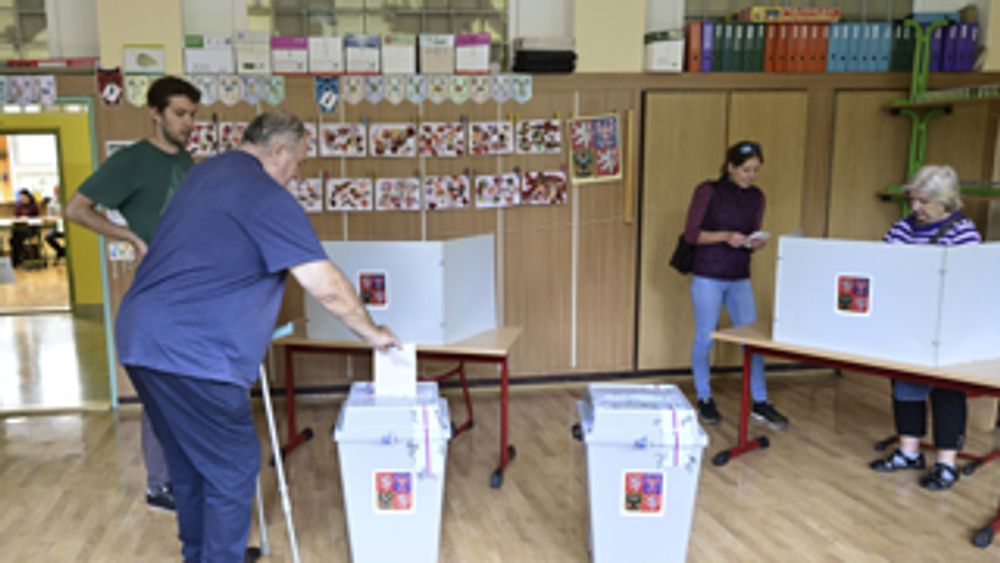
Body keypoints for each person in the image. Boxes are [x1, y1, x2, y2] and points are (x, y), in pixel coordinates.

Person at [115, 110, 400, 561]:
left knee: (190, 464)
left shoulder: (206, 172)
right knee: (233, 466)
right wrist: (372, 333)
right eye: (299, 162)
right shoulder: (264, 195)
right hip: (193, 353)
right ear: (279, 149)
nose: (297, 175)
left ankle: (199, 553)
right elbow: (324, 285)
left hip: (141, 340)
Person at [65, 75, 201, 511]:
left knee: (187, 388)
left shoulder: (188, 162)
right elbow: (76, 208)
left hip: (187, 291)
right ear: (155, 113)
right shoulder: (132, 161)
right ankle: (159, 484)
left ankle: (181, 475)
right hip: (156, 294)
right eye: (180, 114)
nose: (188, 123)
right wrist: (128, 236)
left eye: (193, 114)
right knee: (162, 388)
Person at [870, 165, 981, 490]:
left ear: (945, 201)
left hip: (948, 326)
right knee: (905, 386)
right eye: (914, 200)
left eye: (923, 202)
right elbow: (882, 262)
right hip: (907, 322)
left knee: (947, 391)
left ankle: (946, 463)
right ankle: (909, 451)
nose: (915, 208)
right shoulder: (903, 227)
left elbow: (970, 283)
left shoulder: (964, 232)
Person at [682, 140, 789, 428]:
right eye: (745, 170)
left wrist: (755, 242)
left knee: (751, 341)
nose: (750, 176)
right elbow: (692, 234)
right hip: (708, 274)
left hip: (739, 275)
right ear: (730, 167)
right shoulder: (709, 191)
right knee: (705, 337)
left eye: (755, 170)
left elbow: (752, 234)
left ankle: (760, 401)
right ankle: (704, 397)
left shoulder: (757, 197)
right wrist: (725, 236)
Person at [10, 188, 40, 267]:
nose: (22, 199)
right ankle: (17, 259)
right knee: (14, 238)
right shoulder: (19, 205)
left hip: (31, 228)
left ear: (28, 197)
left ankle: (17, 260)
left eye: (23, 197)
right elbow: (15, 216)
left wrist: (28, 218)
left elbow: (37, 218)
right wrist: (17, 218)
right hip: (21, 228)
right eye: (20, 197)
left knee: (16, 239)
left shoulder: (34, 205)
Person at [43, 186, 65, 261]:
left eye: (59, 191)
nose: (57, 193)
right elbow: (48, 216)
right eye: (56, 192)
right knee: (48, 237)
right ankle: (62, 250)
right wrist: (54, 217)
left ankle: (62, 252)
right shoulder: (52, 203)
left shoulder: (68, 200)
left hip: (68, 226)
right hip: (56, 225)